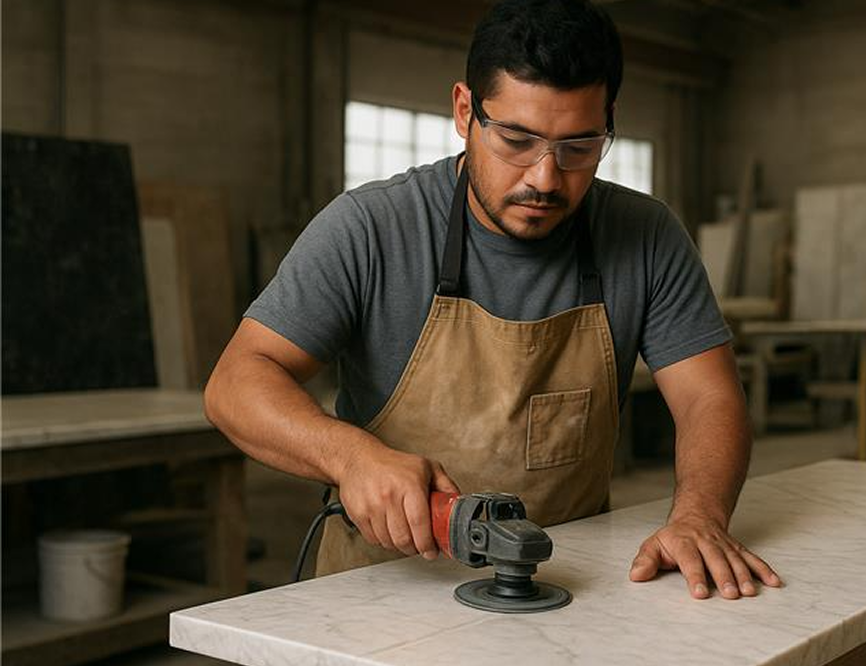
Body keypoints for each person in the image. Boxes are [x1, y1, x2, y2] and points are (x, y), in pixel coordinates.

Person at [205, 0, 782, 600]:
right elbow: (236, 384)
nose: (546, 178)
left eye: (579, 147)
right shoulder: (370, 228)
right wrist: (351, 458)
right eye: (517, 139)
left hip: (566, 593)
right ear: (464, 110)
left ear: (608, 120)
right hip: (382, 589)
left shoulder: (646, 236)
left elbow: (708, 397)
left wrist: (699, 516)